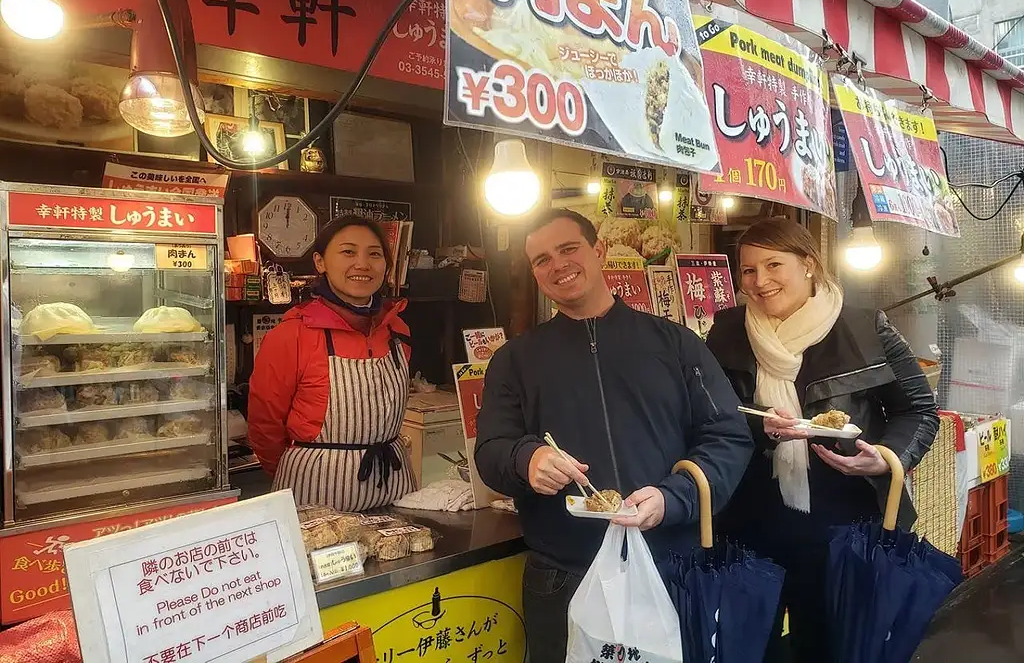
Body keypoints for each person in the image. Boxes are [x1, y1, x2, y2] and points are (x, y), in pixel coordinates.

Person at [474, 209, 753, 663]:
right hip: (564, 572)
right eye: (541, 259)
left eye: (569, 249)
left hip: (668, 562)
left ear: (599, 251)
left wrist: (674, 497)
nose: (557, 265)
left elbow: (728, 434)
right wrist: (526, 459)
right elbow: (491, 450)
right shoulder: (515, 359)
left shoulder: (675, 343)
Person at [704, 217, 939, 663]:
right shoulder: (728, 330)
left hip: (845, 525)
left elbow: (918, 411)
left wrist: (887, 457)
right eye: (748, 270)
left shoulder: (866, 327)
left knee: (835, 648)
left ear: (809, 264)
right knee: (754, 649)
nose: (760, 281)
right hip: (751, 525)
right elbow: (712, 416)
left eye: (774, 265)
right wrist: (760, 427)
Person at [248, 215, 415, 511]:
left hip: (394, 486)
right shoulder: (291, 335)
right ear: (320, 261)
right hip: (316, 493)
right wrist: (300, 467)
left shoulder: (398, 330)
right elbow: (265, 427)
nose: (362, 264)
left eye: (374, 254)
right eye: (348, 252)